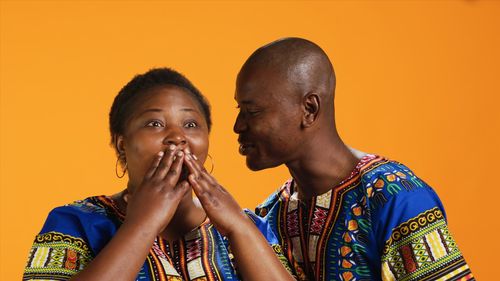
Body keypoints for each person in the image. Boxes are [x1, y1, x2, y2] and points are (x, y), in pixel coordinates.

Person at [233, 37, 474, 281]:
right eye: (238, 110)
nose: (238, 125)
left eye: (252, 112)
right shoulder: (270, 216)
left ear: (309, 109)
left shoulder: (395, 197)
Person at [23, 68, 294, 281]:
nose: (177, 137)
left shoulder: (249, 226)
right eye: (155, 124)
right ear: (122, 144)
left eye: (191, 124)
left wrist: (237, 227)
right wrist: (143, 224)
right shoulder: (76, 223)